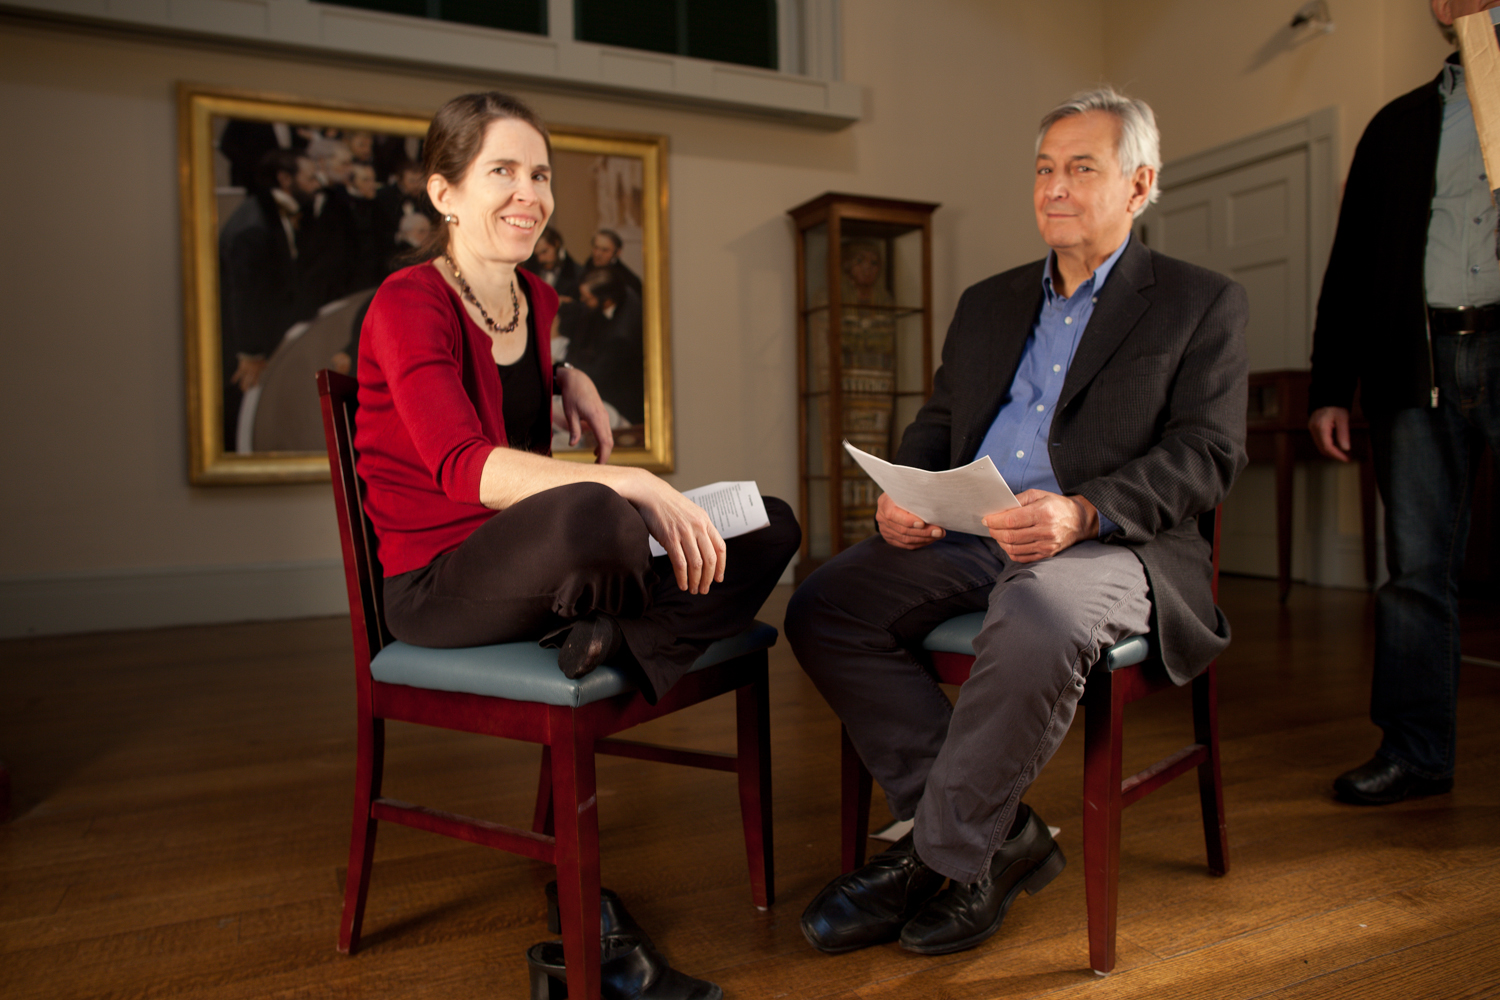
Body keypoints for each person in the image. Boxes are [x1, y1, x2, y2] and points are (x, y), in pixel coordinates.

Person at [786, 86, 1248, 959]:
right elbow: (938, 422)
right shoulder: (989, 302)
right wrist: (912, 491)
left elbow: (1207, 454)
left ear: (1140, 184)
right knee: (823, 604)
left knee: (1036, 610)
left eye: (1082, 168)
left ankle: (944, 859)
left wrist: (1083, 511)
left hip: (1116, 542)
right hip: (972, 529)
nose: (1055, 188)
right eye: (1044, 169)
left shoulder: (1200, 302)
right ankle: (991, 837)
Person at [353, 94, 798, 994]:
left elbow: (513, 369)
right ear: (444, 193)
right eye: (501, 173)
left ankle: (615, 637)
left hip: (535, 563)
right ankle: (616, 625)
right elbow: (462, 467)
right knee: (601, 513)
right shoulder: (408, 303)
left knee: (769, 521)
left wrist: (565, 370)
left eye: (540, 173)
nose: (529, 193)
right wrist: (627, 479)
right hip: (439, 582)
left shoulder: (536, 296)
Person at [1308, 0, 1500, 806]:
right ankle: (1417, 753)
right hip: (1412, 363)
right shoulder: (1396, 125)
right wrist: (1329, 388)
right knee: (1415, 570)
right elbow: (1350, 264)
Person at [218, 148, 320, 449]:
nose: (317, 185)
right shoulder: (252, 227)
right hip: (244, 352)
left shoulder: (272, 213)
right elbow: (245, 295)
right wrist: (250, 352)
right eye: (310, 178)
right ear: (286, 179)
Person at [571, 267, 646, 425]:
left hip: (621, 400)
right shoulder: (623, 292)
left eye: (587, 298)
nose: (582, 301)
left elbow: (597, 374)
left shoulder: (620, 336)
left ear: (607, 301)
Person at [523, 226, 583, 300]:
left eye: (544, 252)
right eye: (537, 255)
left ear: (556, 244)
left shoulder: (576, 272)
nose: (540, 259)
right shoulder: (530, 268)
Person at [590, 227, 643, 295]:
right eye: (596, 248)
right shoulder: (588, 266)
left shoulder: (628, 280)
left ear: (617, 252)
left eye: (605, 250)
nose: (598, 254)